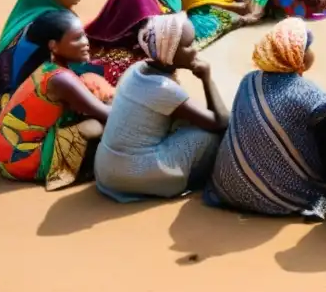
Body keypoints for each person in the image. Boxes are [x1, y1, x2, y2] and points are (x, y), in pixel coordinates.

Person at [204, 18, 326, 219]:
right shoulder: (315, 98)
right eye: (308, 48)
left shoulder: (249, 80)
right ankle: (320, 201)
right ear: (297, 56)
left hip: (228, 189)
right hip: (277, 198)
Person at [94, 13, 227, 202]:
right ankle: (196, 181)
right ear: (169, 51)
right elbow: (221, 122)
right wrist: (207, 79)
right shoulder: (163, 90)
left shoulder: (136, 69)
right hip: (131, 174)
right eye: (188, 45)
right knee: (209, 136)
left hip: (107, 169)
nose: (195, 50)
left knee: (187, 123)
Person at [0, 11, 111, 191]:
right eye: (77, 38)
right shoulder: (60, 80)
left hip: (11, 154)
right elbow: (108, 115)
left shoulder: (49, 69)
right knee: (97, 127)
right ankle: (73, 170)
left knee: (94, 89)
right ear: (53, 46)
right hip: (23, 161)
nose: (86, 42)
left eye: (84, 35)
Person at [0, 0, 82, 99]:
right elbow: (77, 62)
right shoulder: (55, 20)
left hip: (7, 89)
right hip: (24, 96)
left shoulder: (28, 13)